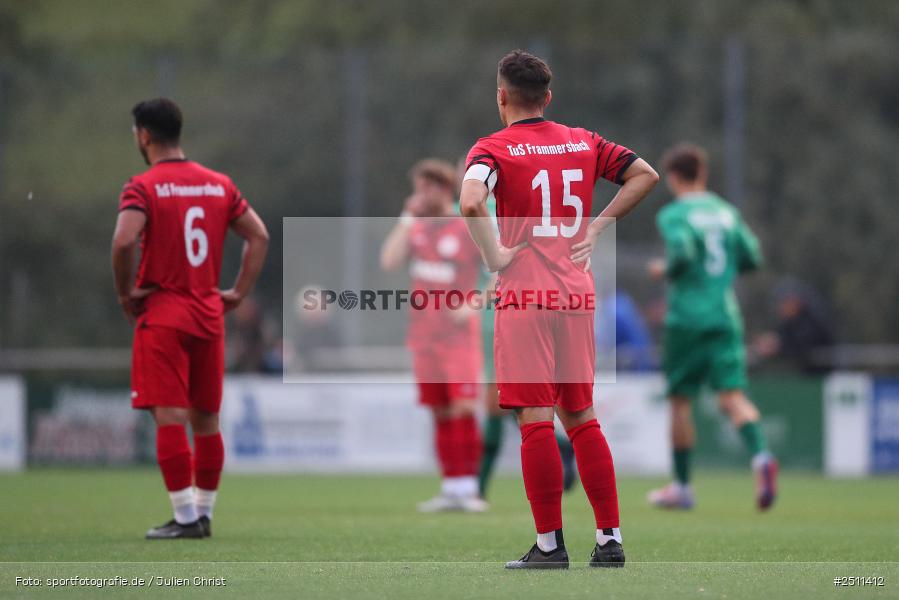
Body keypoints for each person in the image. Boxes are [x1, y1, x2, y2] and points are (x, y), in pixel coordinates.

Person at [460, 50, 658, 569]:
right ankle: (610, 540)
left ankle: (549, 546)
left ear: (501, 96)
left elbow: (471, 201)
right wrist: (599, 225)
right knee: (583, 418)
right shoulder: (585, 141)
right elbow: (645, 175)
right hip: (576, 293)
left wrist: (494, 256)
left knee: (534, 420)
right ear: (548, 97)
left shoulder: (492, 148)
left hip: (525, 297)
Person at [111, 98, 269, 539]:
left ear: (144, 135)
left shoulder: (142, 186)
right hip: (208, 313)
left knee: (169, 416)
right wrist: (237, 291)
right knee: (206, 419)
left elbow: (124, 241)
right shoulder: (218, 184)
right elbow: (258, 234)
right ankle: (204, 513)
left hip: (163, 312)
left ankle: (183, 518)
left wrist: (125, 293)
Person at [646, 143, 777, 512]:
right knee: (732, 397)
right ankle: (762, 457)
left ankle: (683, 487)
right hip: (725, 316)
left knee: (680, 402)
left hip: (687, 319)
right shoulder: (726, 212)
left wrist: (664, 270)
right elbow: (752, 257)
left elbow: (684, 253)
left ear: (673, 177)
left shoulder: (674, 215)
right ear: (702, 173)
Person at [462, 159, 578, 501]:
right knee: (507, 402)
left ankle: (478, 490)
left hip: (506, 310)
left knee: (500, 400)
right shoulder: (514, 203)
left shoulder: (496, 208)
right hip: (505, 310)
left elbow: (506, 262)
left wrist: (476, 299)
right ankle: (560, 447)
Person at [381, 159, 486, 512]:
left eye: (426, 188)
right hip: (424, 336)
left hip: (458, 338)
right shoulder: (417, 228)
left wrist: (474, 304)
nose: (419, 195)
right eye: (417, 188)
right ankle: (451, 487)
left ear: (443, 189)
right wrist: (406, 217)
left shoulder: (466, 226)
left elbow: (501, 270)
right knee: (440, 411)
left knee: (463, 407)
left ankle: (469, 489)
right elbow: (389, 261)